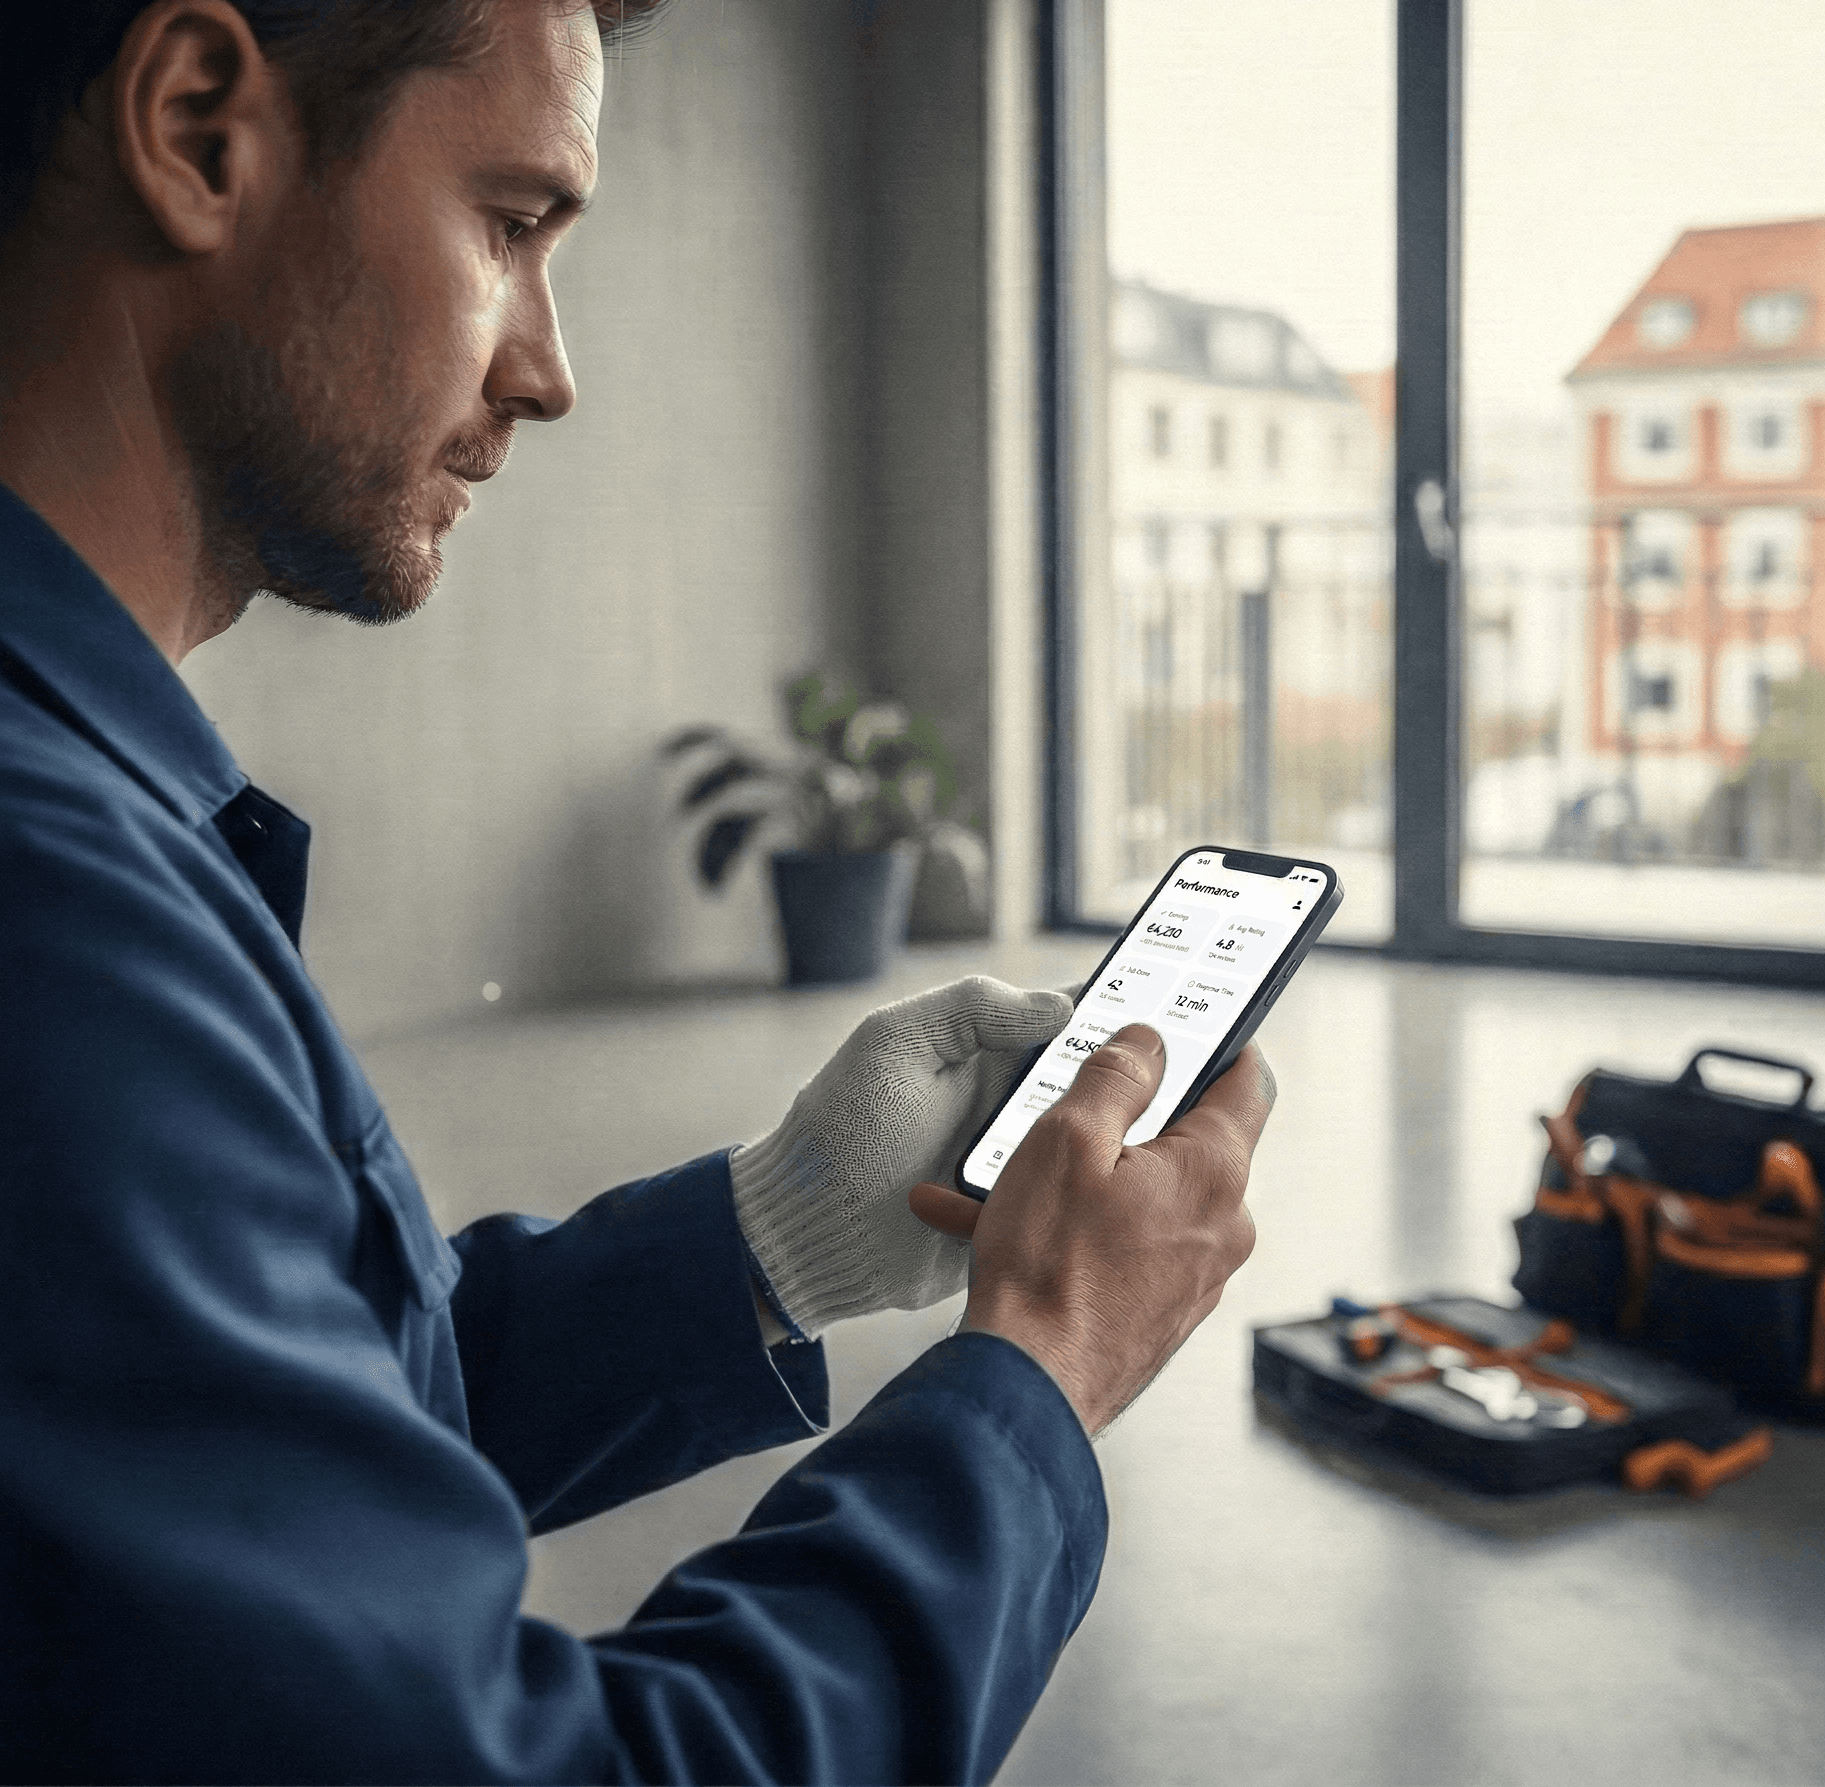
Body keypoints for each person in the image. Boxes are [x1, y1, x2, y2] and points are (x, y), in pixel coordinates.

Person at [0, 2, 1273, 1780]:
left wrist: (777, 1231)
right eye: (512, 225)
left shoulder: (86, 816)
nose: (548, 368)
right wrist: (1039, 1375)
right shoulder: (56, 927)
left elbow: (266, 1441)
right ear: (202, 127)